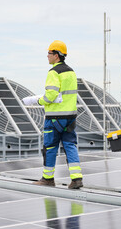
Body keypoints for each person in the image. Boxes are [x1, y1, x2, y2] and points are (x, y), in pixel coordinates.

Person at [22, 40, 83, 189]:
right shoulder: (71, 72)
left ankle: (48, 178)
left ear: (56, 55)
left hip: (55, 118)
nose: (47, 56)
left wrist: (36, 101)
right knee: (70, 146)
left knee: (49, 147)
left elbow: (50, 96)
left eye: (49, 53)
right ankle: (76, 179)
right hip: (70, 117)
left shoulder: (54, 72)